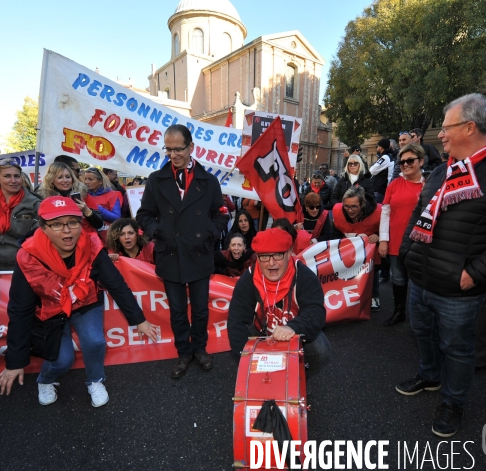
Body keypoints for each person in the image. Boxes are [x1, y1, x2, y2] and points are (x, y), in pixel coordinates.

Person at [397, 93, 486, 438]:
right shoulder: (445, 169)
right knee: (422, 333)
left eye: (446, 128)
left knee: (458, 349)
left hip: (460, 289)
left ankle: (453, 403)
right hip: (421, 277)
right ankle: (429, 376)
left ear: (470, 127)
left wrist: (475, 274)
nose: (440, 135)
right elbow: (420, 212)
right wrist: (406, 251)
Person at [0, 196, 158, 406]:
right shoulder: (28, 257)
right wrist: (15, 361)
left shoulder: (92, 245)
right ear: (43, 227)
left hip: (86, 302)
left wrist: (139, 320)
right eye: (57, 224)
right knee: (63, 360)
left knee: (95, 342)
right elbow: (19, 309)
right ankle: (45, 379)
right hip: (51, 309)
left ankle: (95, 380)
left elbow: (116, 284)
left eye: (73, 222)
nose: (67, 230)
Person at [136, 124, 229, 378]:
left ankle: (200, 349)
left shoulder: (208, 181)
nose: (173, 154)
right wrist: (159, 232)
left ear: (191, 148)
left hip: (199, 252)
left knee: (200, 309)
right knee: (177, 310)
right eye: (168, 149)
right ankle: (183, 353)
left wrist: (209, 233)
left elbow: (221, 215)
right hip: (170, 252)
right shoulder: (156, 179)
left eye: (178, 149)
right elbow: (143, 216)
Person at [227, 228, 331, 377]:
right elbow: (236, 322)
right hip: (260, 332)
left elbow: (316, 312)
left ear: (289, 253)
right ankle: (266, 380)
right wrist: (250, 361)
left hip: (294, 332)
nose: (271, 263)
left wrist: (293, 327)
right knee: (243, 348)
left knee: (321, 350)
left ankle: (298, 380)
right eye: (264, 256)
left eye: (277, 255)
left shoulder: (303, 275)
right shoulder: (248, 280)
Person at [378, 143, 425, 326]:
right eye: (402, 161)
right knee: (398, 278)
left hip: (420, 243)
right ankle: (399, 312)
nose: (405, 164)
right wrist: (383, 240)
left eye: (410, 160)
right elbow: (385, 213)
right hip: (396, 241)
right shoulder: (394, 184)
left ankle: (419, 317)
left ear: (420, 161)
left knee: (417, 281)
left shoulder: (429, 184)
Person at [332, 186, 382, 311]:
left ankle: (374, 295)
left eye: (354, 206)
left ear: (362, 204)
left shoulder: (378, 213)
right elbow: (335, 233)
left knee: (373, 267)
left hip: (370, 248)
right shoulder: (338, 211)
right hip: (349, 246)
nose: (350, 210)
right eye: (347, 206)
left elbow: (388, 229)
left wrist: (379, 236)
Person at [38, 162, 104, 233]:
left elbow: (99, 224)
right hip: (58, 239)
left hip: (86, 238)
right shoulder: (44, 198)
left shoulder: (83, 194)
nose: (65, 180)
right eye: (60, 177)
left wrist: (86, 210)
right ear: (51, 180)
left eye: (68, 177)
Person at [83, 167, 122, 241]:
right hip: (88, 237)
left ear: (100, 181)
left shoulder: (112, 195)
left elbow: (117, 219)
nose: (86, 182)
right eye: (85, 179)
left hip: (107, 237)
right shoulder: (84, 196)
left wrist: (97, 208)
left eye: (90, 179)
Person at [369, 139, 395, 203]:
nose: (376, 148)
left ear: (380, 147)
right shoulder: (389, 156)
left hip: (380, 191)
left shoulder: (385, 157)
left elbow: (372, 170)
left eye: (377, 146)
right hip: (382, 191)